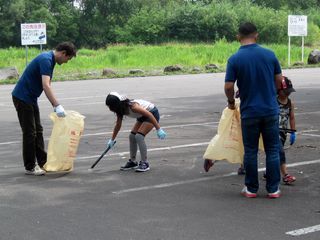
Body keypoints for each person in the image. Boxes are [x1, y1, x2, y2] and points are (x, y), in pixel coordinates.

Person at [224, 22, 283, 198]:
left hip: (249, 111)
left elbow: (228, 86)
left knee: (250, 150)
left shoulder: (234, 59)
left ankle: (251, 188)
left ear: (238, 36)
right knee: (272, 149)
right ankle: (273, 189)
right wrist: (271, 92)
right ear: (256, 35)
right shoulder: (270, 55)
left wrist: (231, 101)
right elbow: (279, 80)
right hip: (271, 110)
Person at [12, 42, 77, 176]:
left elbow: (47, 84)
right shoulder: (46, 60)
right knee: (30, 133)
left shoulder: (50, 60)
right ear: (63, 53)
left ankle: (42, 161)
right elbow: (46, 85)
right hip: (23, 97)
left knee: (38, 130)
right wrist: (56, 105)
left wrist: (54, 104)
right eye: (68, 59)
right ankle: (30, 167)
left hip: (30, 98)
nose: (66, 62)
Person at [105, 92, 167, 172]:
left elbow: (149, 115)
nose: (110, 108)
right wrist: (112, 139)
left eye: (110, 106)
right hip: (142, 116)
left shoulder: (133, 107)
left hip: (152, 113)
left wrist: (158, 129)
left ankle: (145, 163)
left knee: (139, 136)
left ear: (116, 105)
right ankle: (133, 162)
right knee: (132, 136)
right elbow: (118, 125)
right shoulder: (120, 109)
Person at [277, 76, 297, 184]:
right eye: (285, 92)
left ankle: (269, 171)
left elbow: (292, 118)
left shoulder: (290, 103)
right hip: (273, 131)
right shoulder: (273, 101)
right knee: (280, 152)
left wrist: (293, 132)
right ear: (278, 90)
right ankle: (285, 175)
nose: (288, 94)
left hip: (283, 132)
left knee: (275, 153)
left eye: (289, 92)